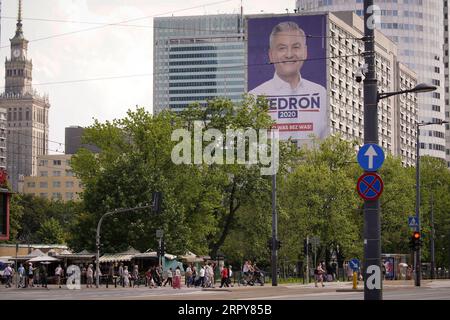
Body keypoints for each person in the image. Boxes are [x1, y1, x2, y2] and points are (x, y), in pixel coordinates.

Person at [249, 21, 327, 140]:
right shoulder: (254, 97)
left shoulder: (320, 93)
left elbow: (327, 141)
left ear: (305, 52)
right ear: (271, 55)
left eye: (295, 47)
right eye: (282, 48)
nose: (289, 54)